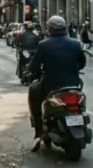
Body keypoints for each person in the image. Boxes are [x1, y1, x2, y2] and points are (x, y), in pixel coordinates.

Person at [28, 16, 85, 147]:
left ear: (50, 29)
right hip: (72, 84)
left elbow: (35, 66)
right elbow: (82, 63)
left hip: (51, 85)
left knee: (34, 91)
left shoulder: (43, 45)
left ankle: (38, 132)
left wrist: (34, 72)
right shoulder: (75, 44)